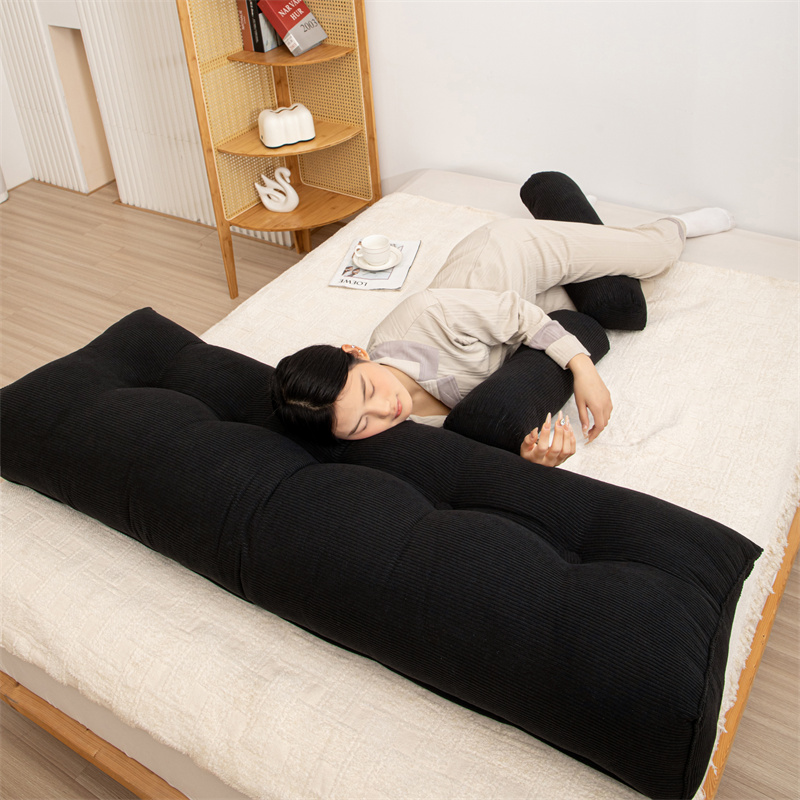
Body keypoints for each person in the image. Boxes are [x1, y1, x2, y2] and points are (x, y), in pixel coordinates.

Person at [272, 172, 734, 467]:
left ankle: (674, 225)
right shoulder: (399, 432)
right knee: (617, 305)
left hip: (509, 255)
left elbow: (521, 318)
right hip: (511, 316)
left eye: (369, 392)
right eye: (361, 425)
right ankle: (567, 213)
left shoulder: (422, 317)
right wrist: (530, 459)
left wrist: (583, 369)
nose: (384, 410)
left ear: (356, 352)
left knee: (654, 256)